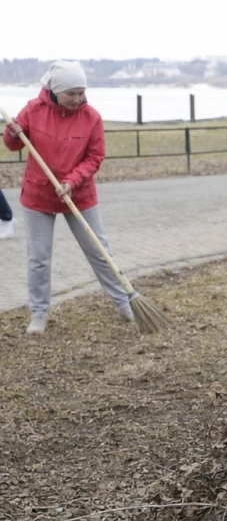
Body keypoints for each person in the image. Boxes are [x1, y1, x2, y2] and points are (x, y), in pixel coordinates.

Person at [2, 61, 132, 334]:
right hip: (38, 195)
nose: (77, 99)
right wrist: (11, 133)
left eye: (81, 92)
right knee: (38, 258)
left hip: (79, 195)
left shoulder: (91, 117)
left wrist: (72, 181)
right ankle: (38, 314)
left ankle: (125, 302)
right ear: (55, 90)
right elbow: (14, 144)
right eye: (70, 93)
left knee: (99, 251)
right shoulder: (33, 110)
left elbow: (95, 157)